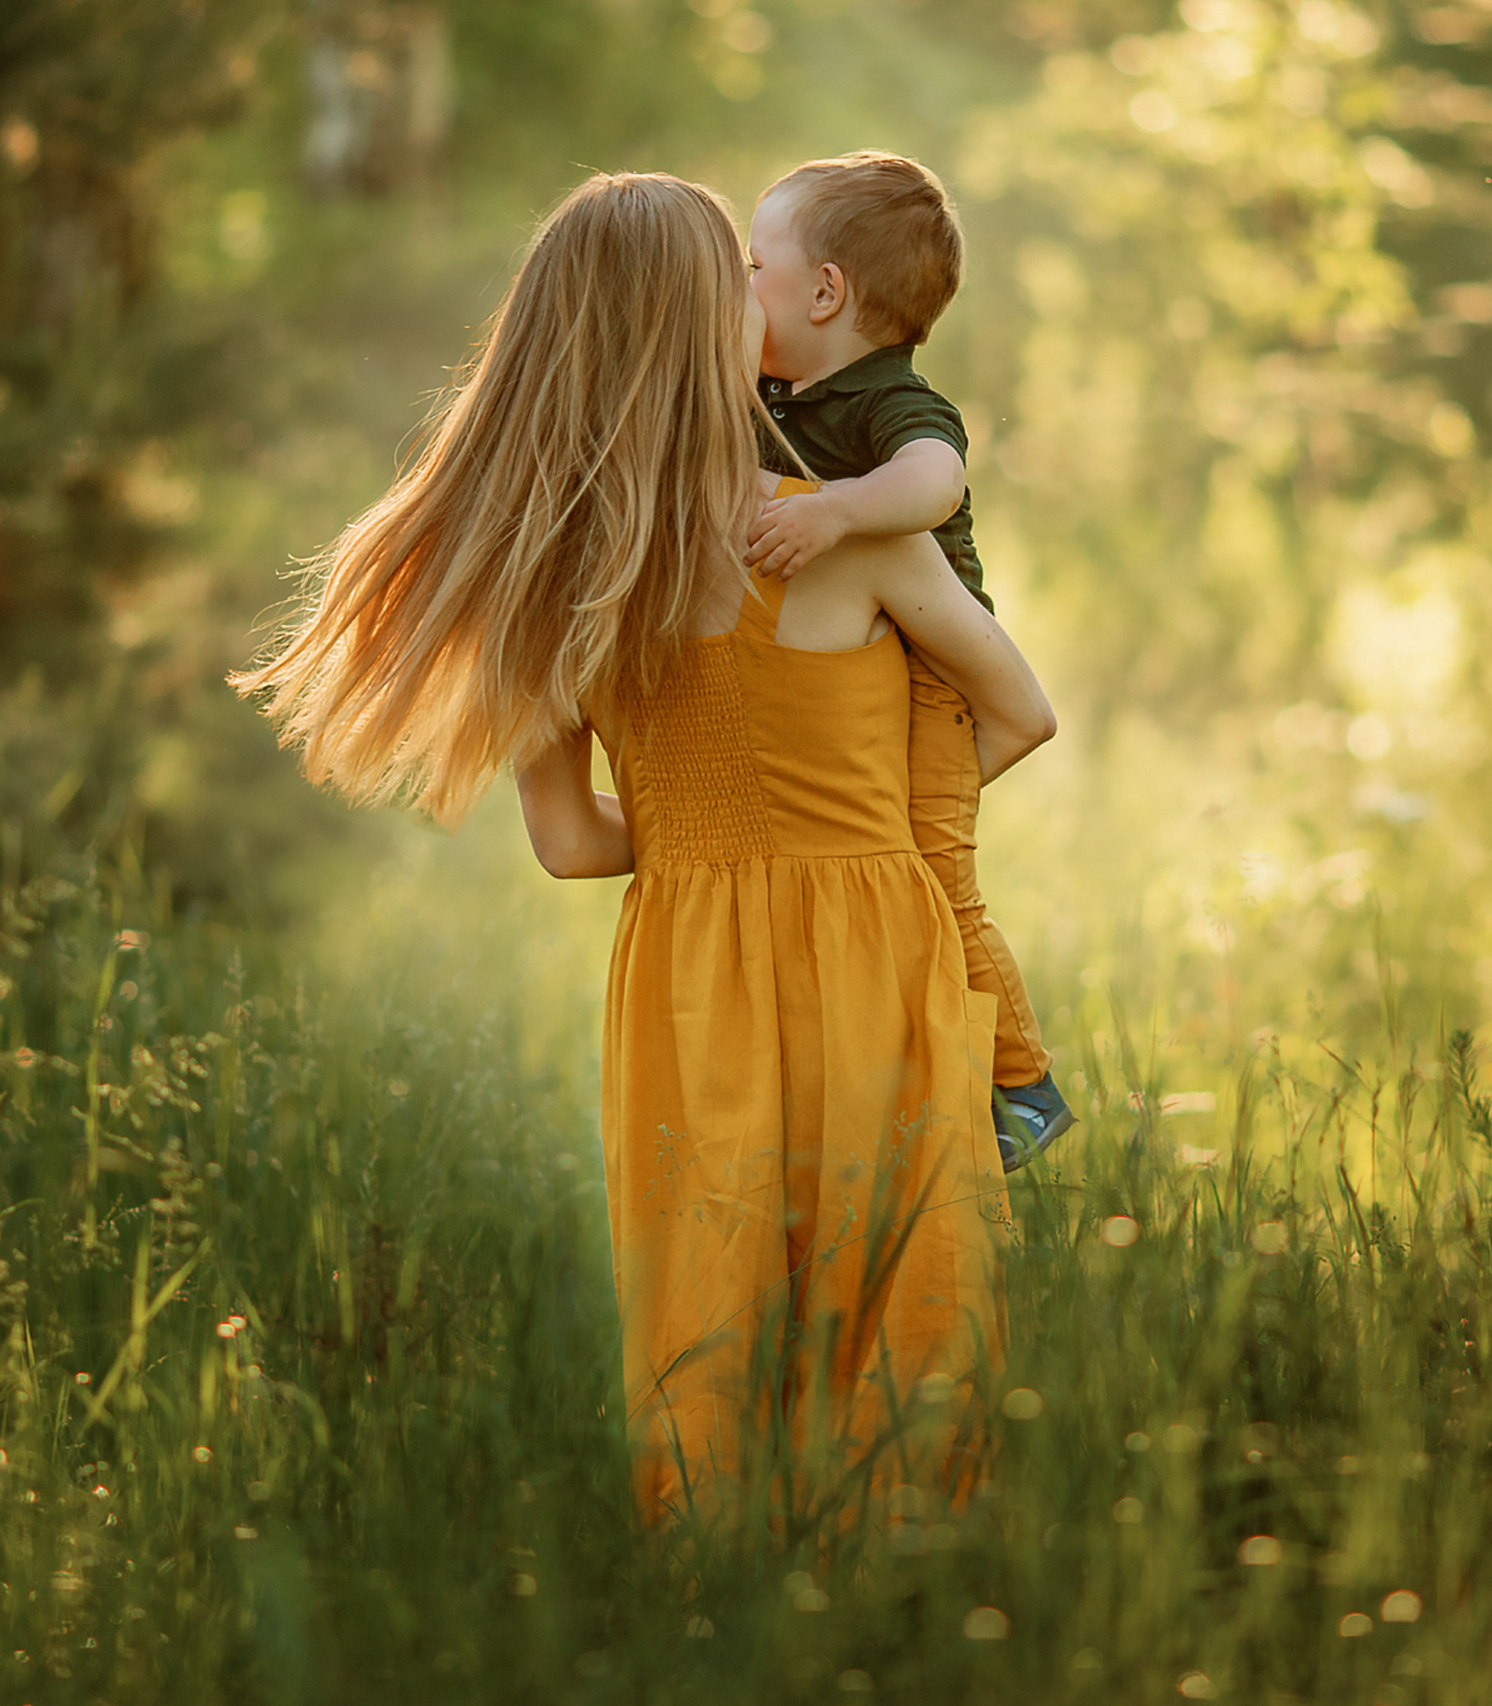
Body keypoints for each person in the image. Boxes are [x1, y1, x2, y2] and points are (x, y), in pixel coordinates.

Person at [231, 173, 1058, 1525]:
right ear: (695, 324)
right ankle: (906, 1596)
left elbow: (567, 845)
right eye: (733, 275)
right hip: (873, 943)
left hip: (687, 975)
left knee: (714, 1309)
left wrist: (704, 837)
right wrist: (851, 832)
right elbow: (1020, 713)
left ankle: (717, 1595)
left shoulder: (548, 579)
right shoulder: (835, 523)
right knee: (893, 1300)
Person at [742, 150, 1074, 1173]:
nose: (738, 289)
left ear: (826, 290)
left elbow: (932, 483)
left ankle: (1019, 1084)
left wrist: (839, 509)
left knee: (932, 871)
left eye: (754, 267)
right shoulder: (769, 388)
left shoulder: (892, 402)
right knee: (894, 879)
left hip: (934, 680)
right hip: (854, 676)